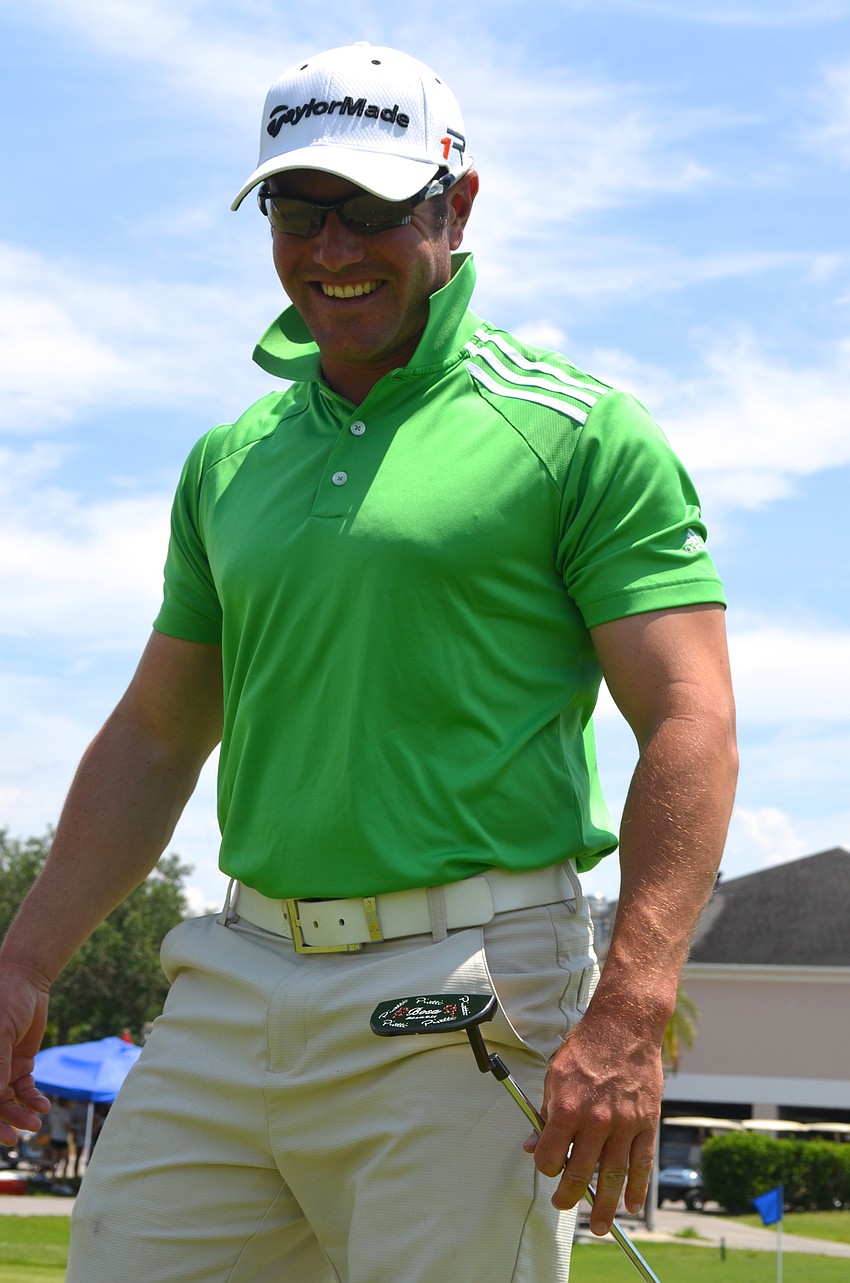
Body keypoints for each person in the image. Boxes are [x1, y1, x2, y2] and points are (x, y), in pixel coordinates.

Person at [0, 41, 737, 1283]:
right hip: (232, 976)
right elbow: (158, 733)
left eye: (374, 209)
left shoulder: (576, 431)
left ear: (454, 205)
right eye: (299, 209)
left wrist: (631, 1001)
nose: (332, 249)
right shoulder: (230, 459)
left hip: (467, 991)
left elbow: (691, 712)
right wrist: (23, 958)